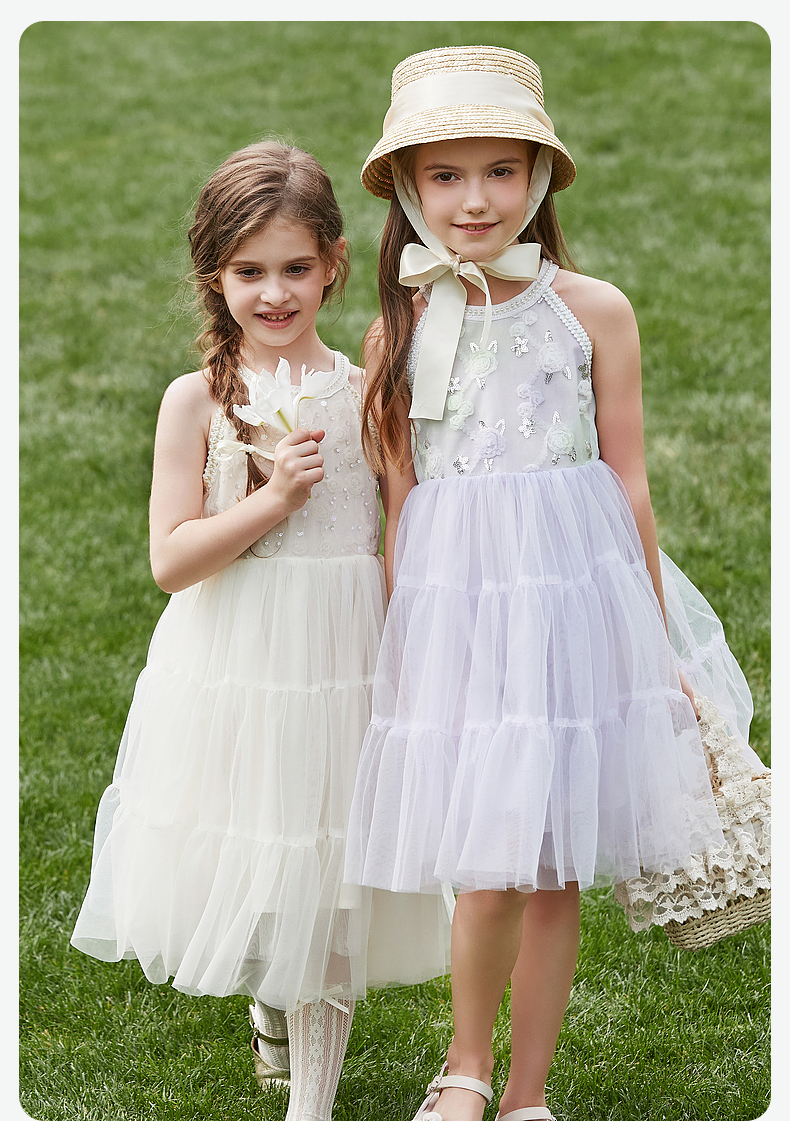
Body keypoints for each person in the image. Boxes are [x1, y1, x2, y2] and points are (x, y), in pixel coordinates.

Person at [344, 46, 763, 1121]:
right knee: (489, 855)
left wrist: (653, 643)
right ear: (407, 189)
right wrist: (409, 644)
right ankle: (465, 1065)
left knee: (552, 862)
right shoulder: (398, 329)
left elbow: (628, 482)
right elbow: (401, 503)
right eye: (446, 175)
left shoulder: (594, 309)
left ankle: (527, 1091)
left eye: (500, 170)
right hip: (462, 613)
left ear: (537, 176)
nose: (475, 199)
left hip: (576, 603)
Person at [70, 139, 451, 1121]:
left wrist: (414, 644)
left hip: (342, 655)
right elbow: (172, 561)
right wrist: (271, 497)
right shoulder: (197, 401)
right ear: (215, 276)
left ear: (332, 263)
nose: (275, 293)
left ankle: (309, 1105)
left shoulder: (368, 387)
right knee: (257, 851)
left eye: (295, 268)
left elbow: (401, 523)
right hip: (235, 657)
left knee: (330, 876)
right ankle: (270, 1010)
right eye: (249, 272)